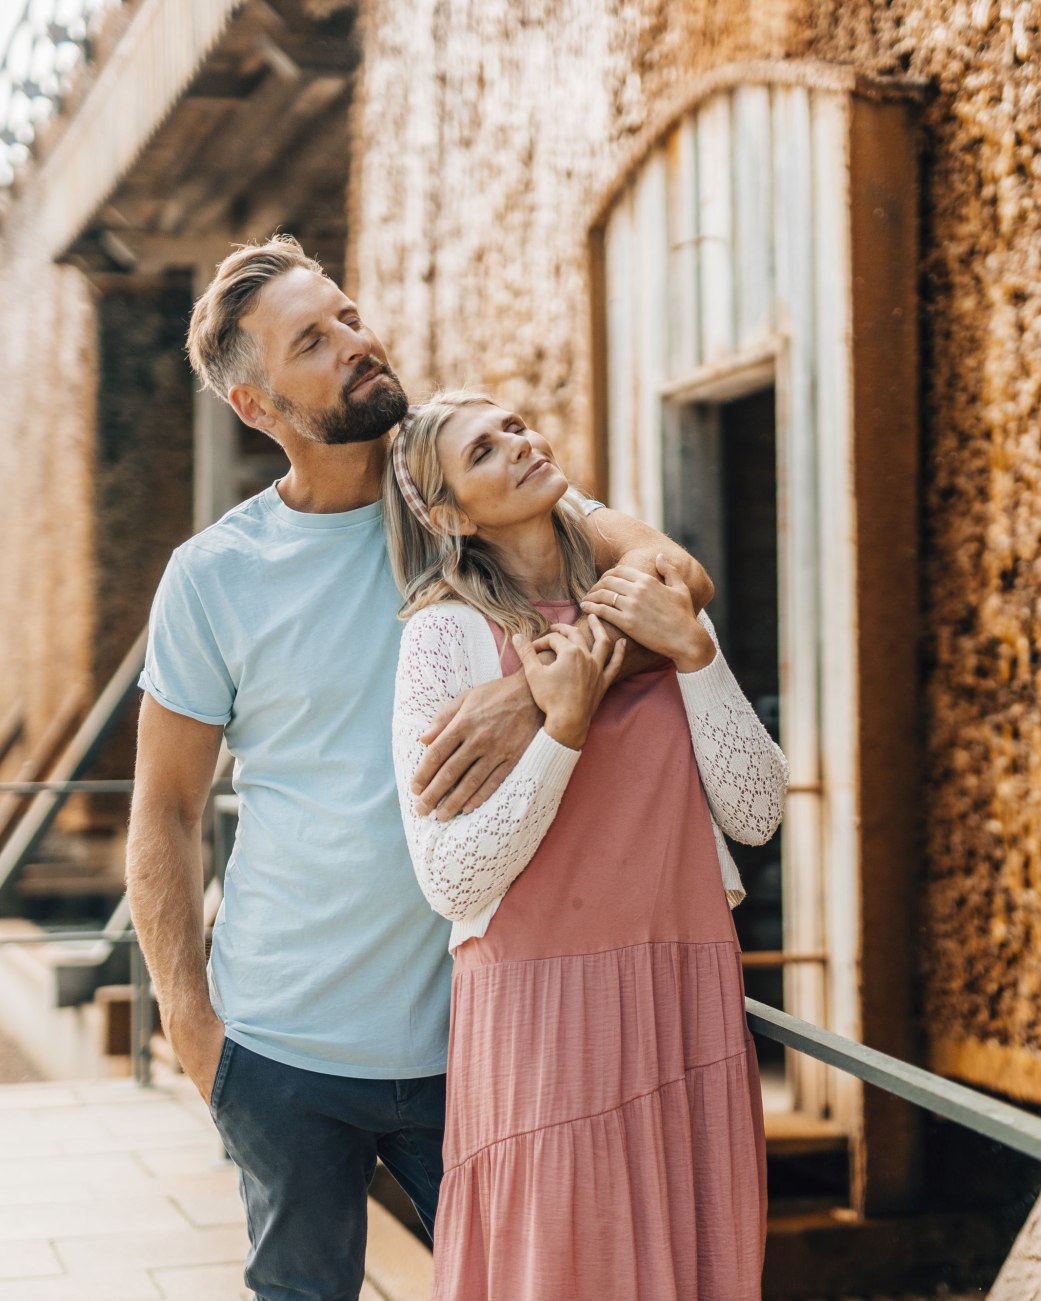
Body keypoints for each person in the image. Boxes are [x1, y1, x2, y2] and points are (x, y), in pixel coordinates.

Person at [124, 235, 714, 1301]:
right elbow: (162, 811)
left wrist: (533, 681)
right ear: (258, 406)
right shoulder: (212, 577)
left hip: (479, 1037)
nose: (358, 342)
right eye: (314, 339)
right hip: (282, 1045)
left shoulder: (464, 496)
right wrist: (193, 1026)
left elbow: (674, 581)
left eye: (348, 315)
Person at [387, 390, 789, 1301]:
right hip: (542, 1005)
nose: (517, 445)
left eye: (514, 427)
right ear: (450, 515)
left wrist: (699, 659)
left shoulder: (648, 597)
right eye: (482, 451)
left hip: (684, 984)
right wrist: (561, 732)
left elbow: (757, 810)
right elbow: (451, 877)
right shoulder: (444, 637)